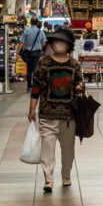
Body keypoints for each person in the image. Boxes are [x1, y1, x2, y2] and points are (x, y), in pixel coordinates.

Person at [28, 27, 84, 193]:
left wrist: (80, 87)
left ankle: (66, 175)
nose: (58, 44)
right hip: (47, 113)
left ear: (69, 45)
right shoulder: (43, 62)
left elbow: (79, 83)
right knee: (47, 146)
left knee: (68, 148)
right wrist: (32, 109)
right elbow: (36, 86)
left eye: (62, 42)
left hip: (69, 115)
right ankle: (48, 178)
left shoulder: (74, 64)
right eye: (55, 41)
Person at [16, 17, 46, 92]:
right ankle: (35, 86)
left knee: (29, 70)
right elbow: (44, 44)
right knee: (35, 69)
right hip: (37, 53)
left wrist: (17, 52)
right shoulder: (41, 32)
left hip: (28, 53)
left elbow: (22, 42)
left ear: (30, 23)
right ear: (38, 23)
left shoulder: (26, 31)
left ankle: (29, 86)